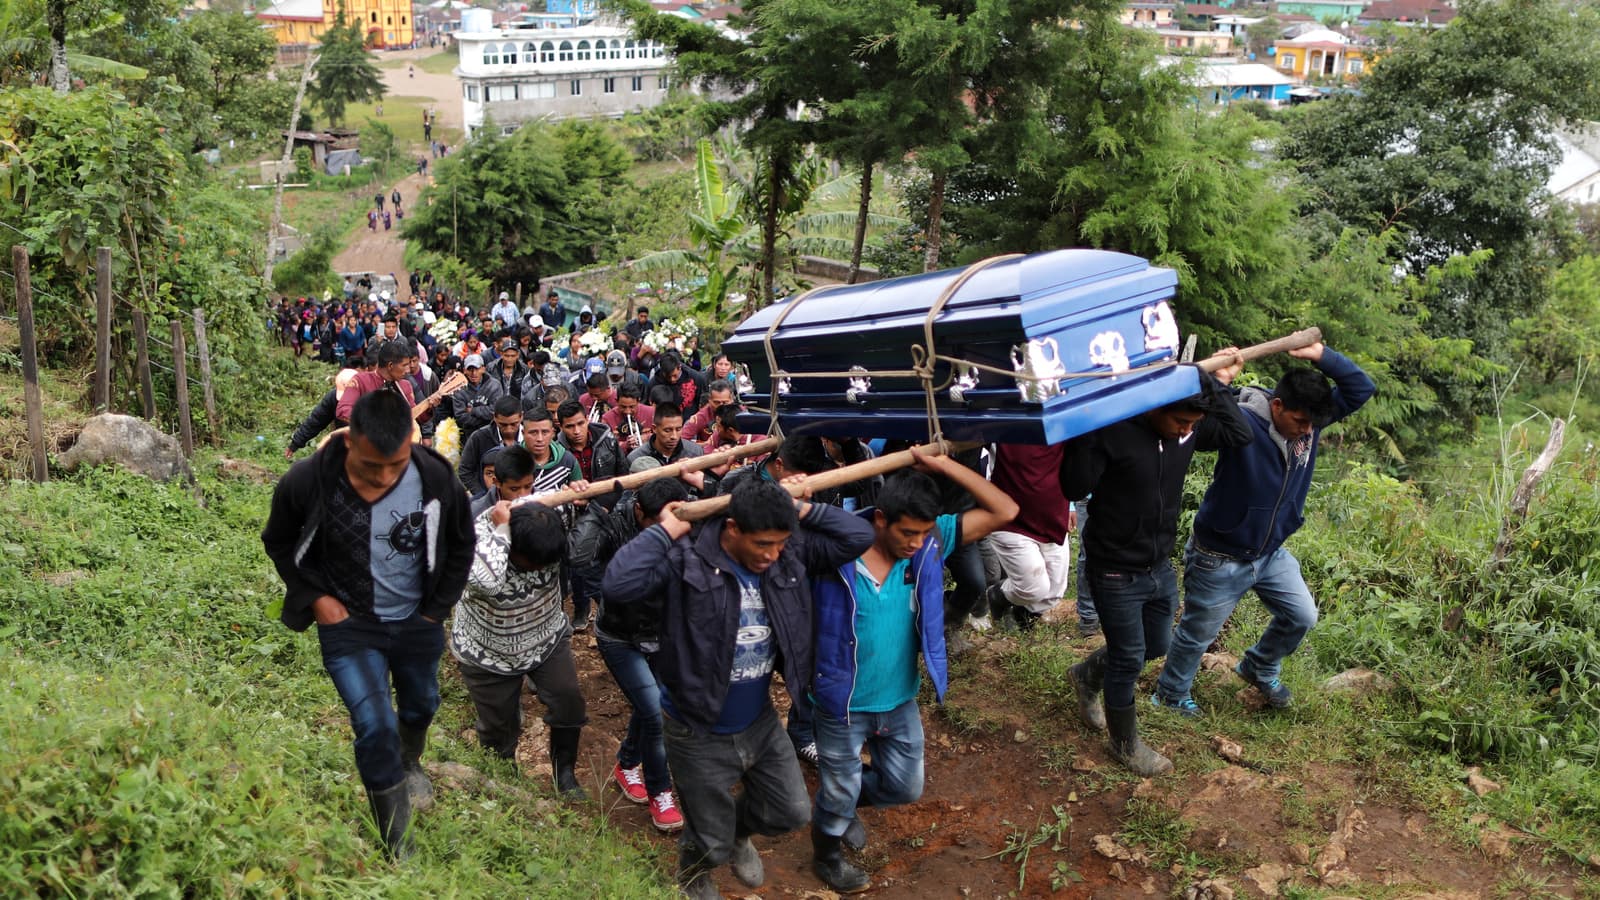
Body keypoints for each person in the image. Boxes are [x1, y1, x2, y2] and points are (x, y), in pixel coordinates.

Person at [601, 479, 876, 900]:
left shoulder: (787, 555)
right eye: (763, 543)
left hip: (759, 720)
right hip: (696, 726)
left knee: (791, 811)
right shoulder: (687, 558)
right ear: (732, 528)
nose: (772, 554)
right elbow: (618, 586)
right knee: (707, 839)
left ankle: (735, 834)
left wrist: (801, 510)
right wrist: (667, 528)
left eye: (781, 543)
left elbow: (860, 535)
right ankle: (695, 870)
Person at [261, 390, 474, 859]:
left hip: (417, 620)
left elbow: (461, 544)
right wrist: (315, 597)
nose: (383, 477)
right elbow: (277, 540)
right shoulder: (309, 480)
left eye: (394, 466)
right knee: (374, 724)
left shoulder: (434, 476)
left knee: (421, 704)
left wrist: (434, 610)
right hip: (350, 625)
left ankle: (410, 760)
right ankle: (397, 841)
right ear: (350, 441)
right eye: (371, 466)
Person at [808, 453, 1018, 892]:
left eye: (924, 534)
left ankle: (838, 804)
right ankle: (826, 852)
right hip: (841, 702)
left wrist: (944, 467)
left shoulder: (932, 541)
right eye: (907, 533)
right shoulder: (832, 550)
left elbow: (1006, 510)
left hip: (900, 698)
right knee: (841, 784)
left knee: (905, 786)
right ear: (881, 519)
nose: (916, 544)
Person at [1154, 343, 1375, 716]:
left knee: (1302, 616)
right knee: (1197, 634)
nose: (1307, 431)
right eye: (1300, 422)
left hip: (1271, 552)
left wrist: (1321, 354)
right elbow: (1194, 427)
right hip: (1220, 554)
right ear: (1277, 406)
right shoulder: (1240, 423)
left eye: (1312, 425)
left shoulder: (1311, 422)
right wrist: (1218, 381)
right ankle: (1170, 693)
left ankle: (1258, 665)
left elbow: (1360, 388)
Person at [1060, 357, 1250, 776]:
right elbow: (1074, 486)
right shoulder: (1113, 430)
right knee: (1129, 658)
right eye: (1180, 421)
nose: (1186, 430)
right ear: (1153, 406)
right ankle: (1124, 744)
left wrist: (1212, 384)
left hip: (1158, 565)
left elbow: (1240, 432)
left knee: (1156, 647)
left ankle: (1086, 674)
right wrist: (1087, 428)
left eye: (1192, 423)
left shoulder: (1187, 430)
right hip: (1113, 567)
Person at [568, 477, 690, 832]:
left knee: (649, 706)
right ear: (640, 511)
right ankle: (660, 791)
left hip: (663, 632)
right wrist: (595, 509)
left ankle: (626, 763)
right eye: (660, 523)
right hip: (620, 635)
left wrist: (707, 483)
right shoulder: (615, 521)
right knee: (655, 712)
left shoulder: (685, 516)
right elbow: (579, 556)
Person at [451, 488, 588, 798]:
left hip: (545, 639)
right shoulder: (479, 536)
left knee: (569, 702)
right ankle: (505, 777)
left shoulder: (545, 520)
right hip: (487, 654)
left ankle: (564, 772)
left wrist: (578, 494)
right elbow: (485, 580)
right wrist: (500, 529)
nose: (540, 569)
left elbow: (586, 502)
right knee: (499, 725)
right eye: (531, 563)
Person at [982, 443, 1075, 631]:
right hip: (1011, 520)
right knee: (1033, 588)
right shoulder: (1002, 423)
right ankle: (997, 596)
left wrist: (1071, 505)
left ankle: (1021, 617)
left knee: (1054, 592)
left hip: (1053, 517)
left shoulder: (1058, 423)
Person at [557, 398, 627, 629]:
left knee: (609, 561)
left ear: (587, 420)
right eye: (569, 426)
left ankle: (611, 611)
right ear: (561, 427)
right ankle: (581, 607)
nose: (576, 431)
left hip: (606, 510)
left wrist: (607, 502)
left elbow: (622, 473)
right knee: (578, 565)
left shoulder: (606, 439)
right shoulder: (557, 451)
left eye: (580, 423)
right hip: (574, 514)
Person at [335, 340, 417, 424]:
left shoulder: (405, 385)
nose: (408, 370)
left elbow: (415, 415)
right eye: (404, 365)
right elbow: (343, 410)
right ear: (390, 366)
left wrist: (429, 404)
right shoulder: (360, 380)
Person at [458, 395, 524, 496]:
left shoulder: (530, 436)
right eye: (503, 425)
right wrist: (483, 495)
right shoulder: (479, 437)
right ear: (494, 417)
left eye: (514, 424)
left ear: (521, 416)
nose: (508, 429)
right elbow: (465, 470)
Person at [450, 354, 504, 435]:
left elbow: (496, 411)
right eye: (470, 369)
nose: (473, 373)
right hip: (467, 433)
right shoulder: (458, 388)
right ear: (464, 370)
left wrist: (473, 411)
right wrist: (486, 418)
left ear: (483, 369)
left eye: (477, 369)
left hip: (492, 432)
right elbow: (460, 417)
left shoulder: (495, 385)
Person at [647, 350, 709, 415]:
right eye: (668, 377)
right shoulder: (654, 383)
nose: (672, 380)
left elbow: (703, 403)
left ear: (679, 367)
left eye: (675, 375)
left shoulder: (696, 378)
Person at [603, 383, 653, 457]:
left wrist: (648, 437)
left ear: (638, 401)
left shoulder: (651, 412)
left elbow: (661, 435)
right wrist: (625, 445)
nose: (627, 411)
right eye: (623, 407)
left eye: (632, 407)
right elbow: (605, 446)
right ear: (616, 401)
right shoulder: (607, 418)